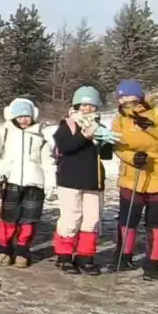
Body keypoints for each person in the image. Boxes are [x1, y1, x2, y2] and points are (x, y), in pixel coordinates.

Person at [111, 80, 158, 280]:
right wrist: (132, 157)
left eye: (129, 96)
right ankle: (123, 256)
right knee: (127, 220)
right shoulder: (119, 120)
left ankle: (153, 262)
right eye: (121, 97)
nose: (125, 101)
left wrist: (152, 128)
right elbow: (117, 146)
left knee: (157, 223)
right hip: (132, 175)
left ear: (140, 96)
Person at [0, 97, 55, 268]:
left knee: (28, 219)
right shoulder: (4, 133)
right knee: (8, 218)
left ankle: (23, 249)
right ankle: (5, 248)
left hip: (34, 183)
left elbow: (48, 161)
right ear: (13, 117)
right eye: (20, 116)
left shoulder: (41, 135)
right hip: (10, 181)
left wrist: (51, 182)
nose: (24, 119)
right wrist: (0, 171)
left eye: (27, 116)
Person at [51, 85, 114, 275]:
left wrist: (106, 142)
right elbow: (65, 146)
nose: (87, 109)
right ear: (76, 106)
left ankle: (85, 257)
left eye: (91, 105)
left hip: (94, 180)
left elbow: (106, 156)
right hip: (70, 180)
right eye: (83, 105)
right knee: (71, 219)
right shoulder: (67, 125)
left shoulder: (100, 126)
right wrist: (85, 135)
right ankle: (64, 255)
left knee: (91, 220)